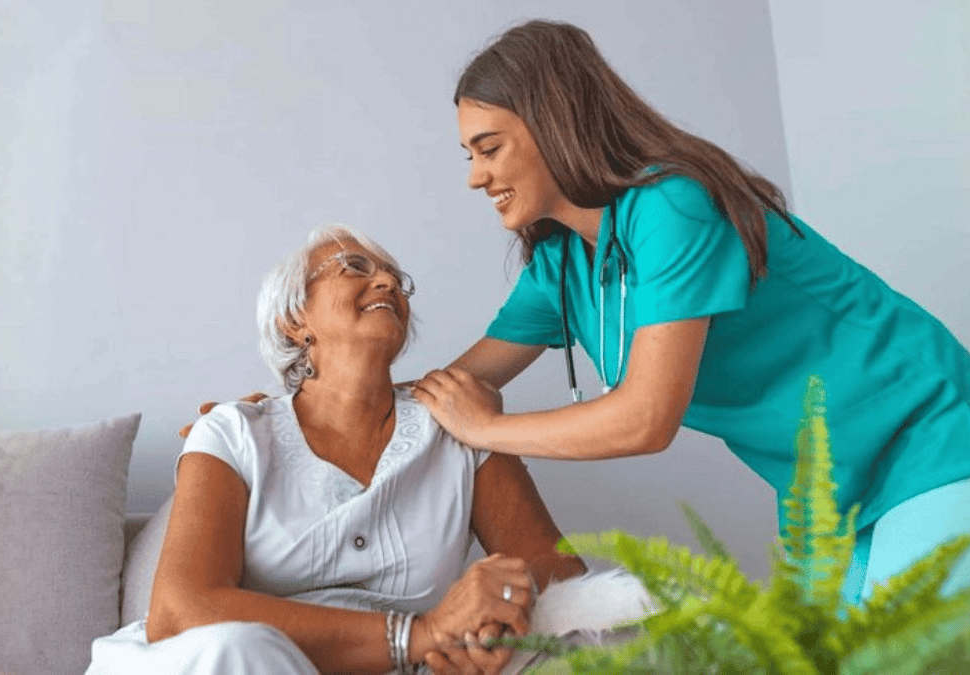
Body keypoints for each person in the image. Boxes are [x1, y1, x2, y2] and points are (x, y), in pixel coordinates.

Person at [410, 19, 970, 612]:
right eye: (470, 155)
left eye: (488, 148)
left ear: (552, 124)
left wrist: (489, 430)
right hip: (826, 505)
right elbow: (457, 389)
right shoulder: (561, 266)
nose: (475, 177)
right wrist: (326, 388)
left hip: (940, 448)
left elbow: (645, 418)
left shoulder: (673, 205)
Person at [88, 224, 592, 675]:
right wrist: (415, 635)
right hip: (246, 663)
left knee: (593, 636)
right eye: (354, 267)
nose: (389, 283)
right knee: (240, 650)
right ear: (294, 320)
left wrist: (493, 612)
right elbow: (182, 610)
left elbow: (559, 570)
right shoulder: (233, 432)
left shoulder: (458, 424)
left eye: (398, 279)